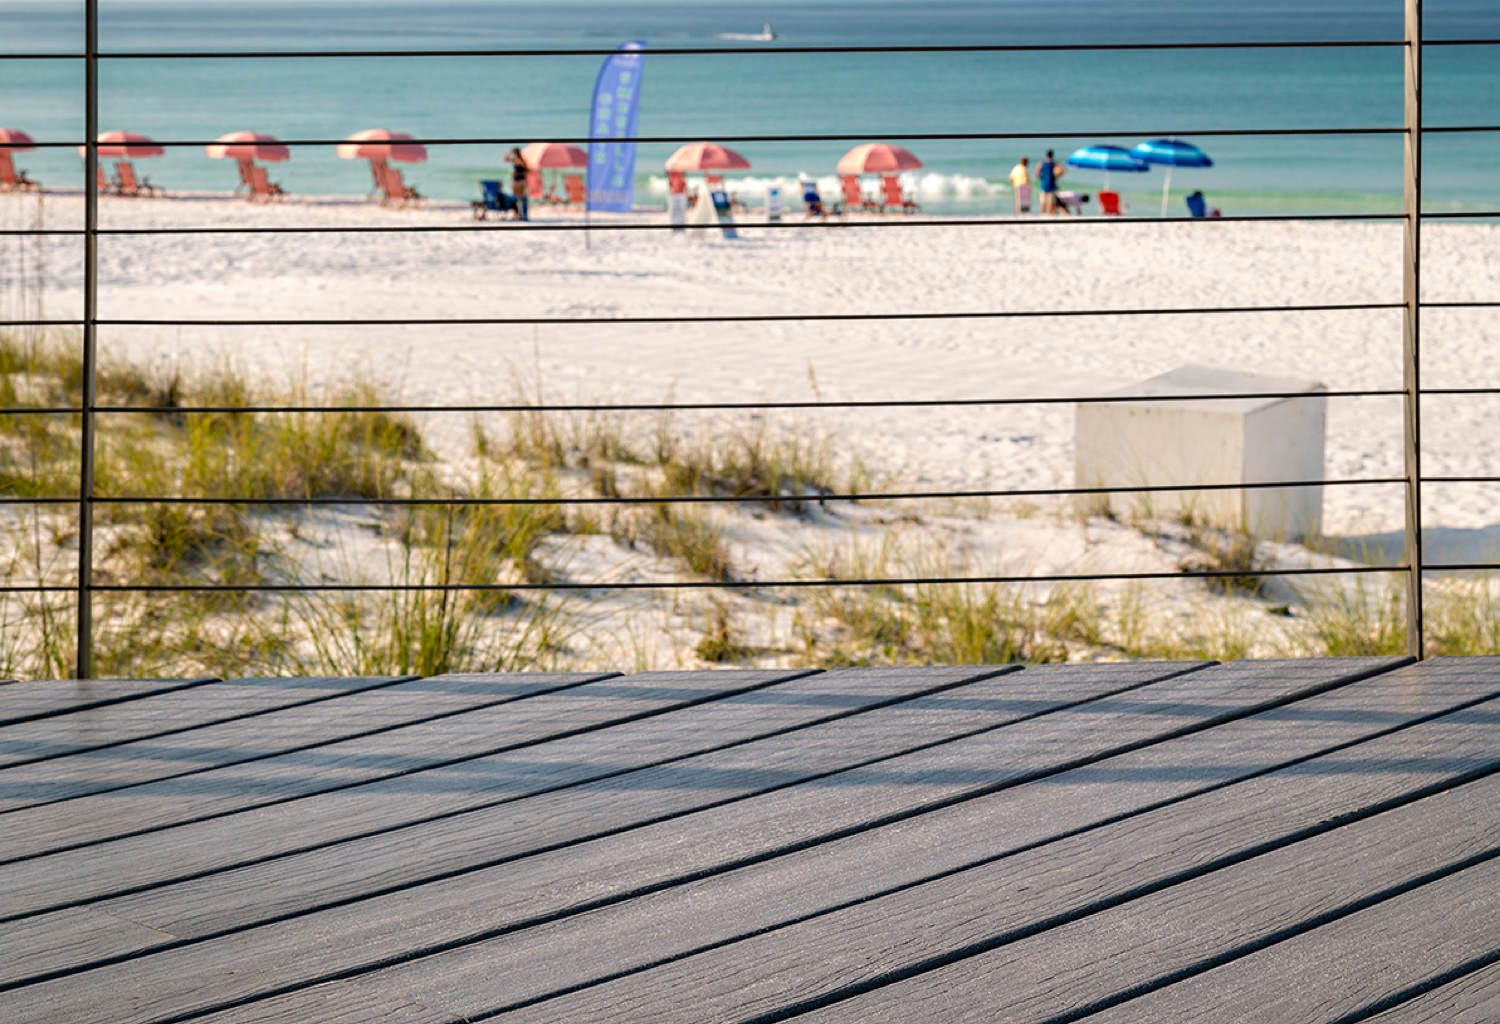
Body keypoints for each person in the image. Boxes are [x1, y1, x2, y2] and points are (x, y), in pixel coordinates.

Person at [504, 147, 530, 221]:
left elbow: (527, 171)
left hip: (520, 181)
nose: (513, 155)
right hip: (518, 181)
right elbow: (505, 159)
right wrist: (508, 152)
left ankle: (520, 214)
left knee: (518, 198)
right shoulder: (517, 160)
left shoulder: (520, 161)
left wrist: (517, 173)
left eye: (513, 153)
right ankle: (519, 214)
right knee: (517, 199)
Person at [1037, 149, 1064, 214]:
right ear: (1052, 155)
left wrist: (1042, 178)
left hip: (1043, 184)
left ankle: (1042, 215)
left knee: (1042, 202)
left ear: (1046, 155)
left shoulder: (1041, 163)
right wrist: (1056, 177)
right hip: (1052, 185)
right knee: (1051, 202)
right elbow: (1063, 170)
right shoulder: (1054, 163)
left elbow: (1037, 173)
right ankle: (1048, 214)